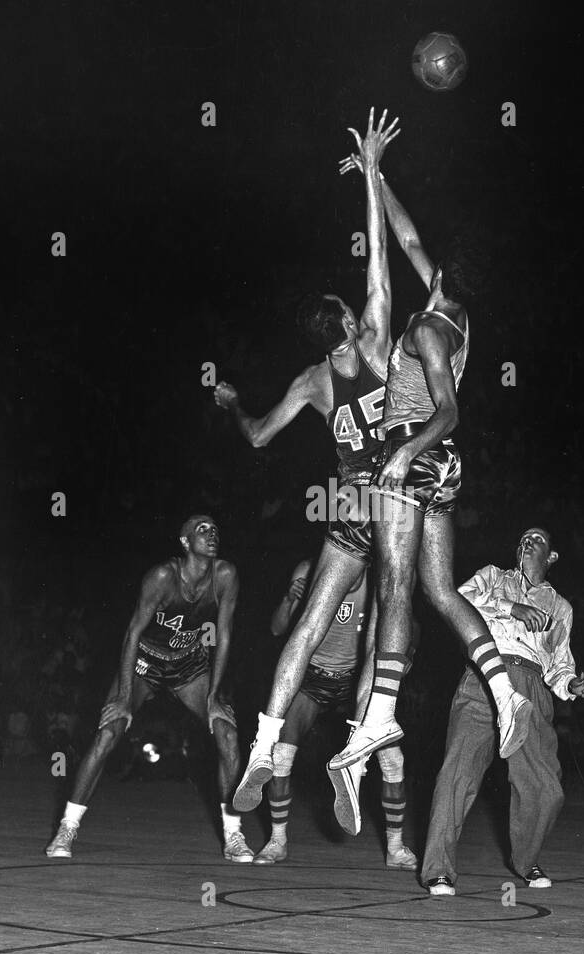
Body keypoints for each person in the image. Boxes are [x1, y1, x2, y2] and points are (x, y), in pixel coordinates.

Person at [219, 109, 407, 823]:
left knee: (310, 622)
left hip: (345, 505)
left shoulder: (309, 381)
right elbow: (381, 255)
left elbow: (261, 438)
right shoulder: (379, 339)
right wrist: (372, 172)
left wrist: (233, 406)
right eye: (349, 309)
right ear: (349, 324)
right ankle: (356, 756)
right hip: (394, 503)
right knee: (386, 627)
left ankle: (266, 741)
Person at [328, 157, 536, 782]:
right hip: (441, 471)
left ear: (442, 276)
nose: (424, 255)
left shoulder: (426, 330)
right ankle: (507, 694)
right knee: (440, 591)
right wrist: (377, 172)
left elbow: (449, 412)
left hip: (417, 458)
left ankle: (379, 716)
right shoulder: (453, 314)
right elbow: (408, 236)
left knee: (394, 586)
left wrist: (400, 452)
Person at [44, 515, 246, 861]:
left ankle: (234, 837)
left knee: (227, 733)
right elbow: (132, 634)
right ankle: (67, 828)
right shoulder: (163, 576)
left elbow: (224, 636)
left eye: (215, 529)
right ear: (184, 542)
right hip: (146, 663)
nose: (212, 534)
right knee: (108, 733)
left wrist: (214, 696)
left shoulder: (225, 575)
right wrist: (123, 697)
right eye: (202, 529)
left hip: (189, 664)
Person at [421, 528, 584, 896]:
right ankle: (438, 870)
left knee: (545, 787)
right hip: (484, 676)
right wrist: (510, 607)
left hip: (531, 685)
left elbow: (559, 664)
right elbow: (453, 599)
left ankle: (525, 860)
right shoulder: (492, 577)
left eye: (538, 539)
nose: (527, 541)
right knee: (457, 773)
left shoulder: (561, 607)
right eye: (523, 537)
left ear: (553, 557)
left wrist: (571, 684)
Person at [254, 556, 415, 868]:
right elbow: (277, 629)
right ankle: (277, 840)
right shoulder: (307, 570)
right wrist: (290, 600)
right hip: (314, 677)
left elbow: (403, 631)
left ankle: (395, 848)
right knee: (280, 754)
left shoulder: (382, 576)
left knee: (393, 759)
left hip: (357, 679)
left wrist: (403, 661)